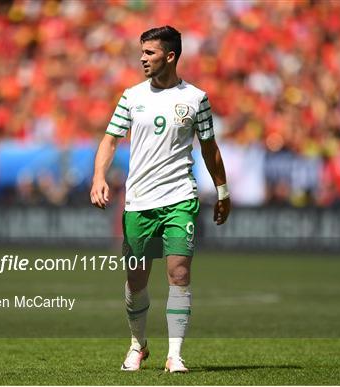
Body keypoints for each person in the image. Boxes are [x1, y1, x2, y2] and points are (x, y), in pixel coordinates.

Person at [90, 26, 230, 373]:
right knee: (136, 280)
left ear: (170, 56)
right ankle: (139, 345)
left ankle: (175, 354)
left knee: (179, 273)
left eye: (149, 53)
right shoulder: (131, 96)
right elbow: (109, 140)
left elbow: (209, 149)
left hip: (179, 198)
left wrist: (223, 191)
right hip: (138, 202)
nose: (142, 58)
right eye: (142, 52)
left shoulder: (196, 98)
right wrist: (98, 177)